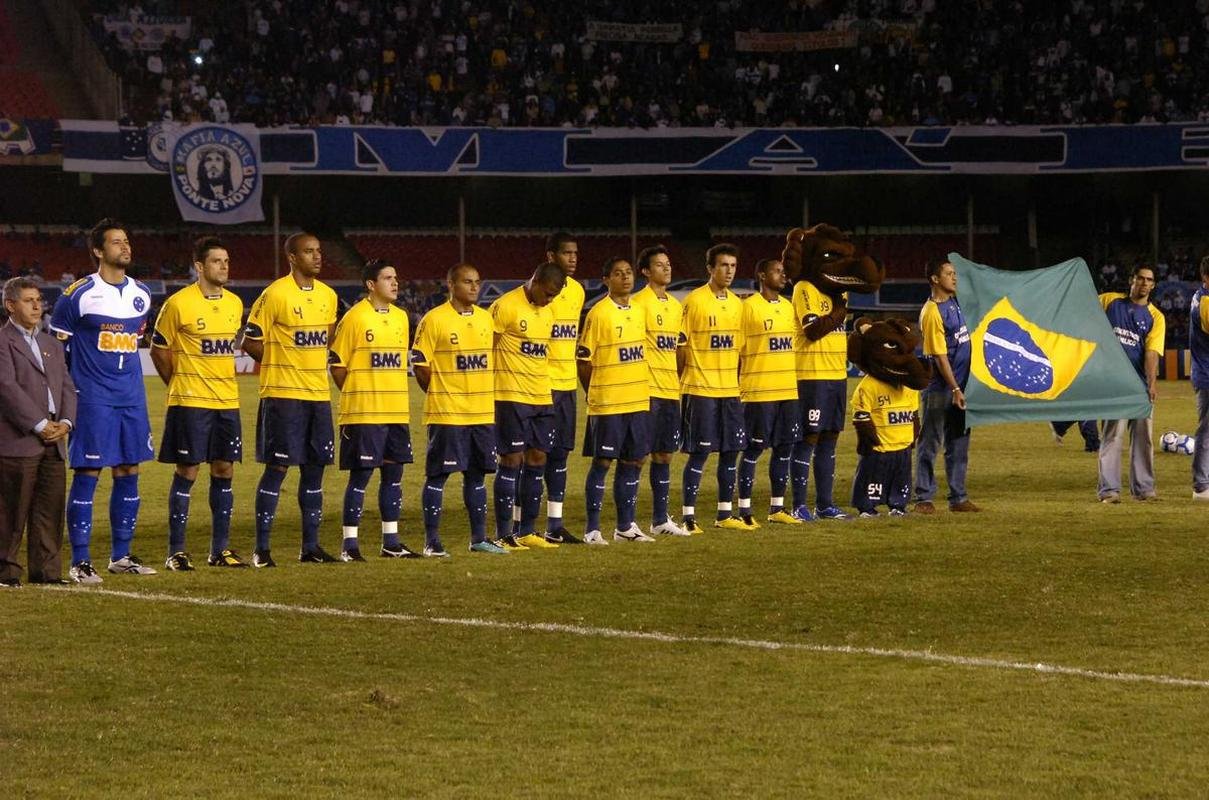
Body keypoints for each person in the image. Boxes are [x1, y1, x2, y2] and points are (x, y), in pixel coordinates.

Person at [51, 219, 156, 583]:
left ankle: (121, 556)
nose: (125, 247)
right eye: (116, 242)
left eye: (126, 241)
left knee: (129, 470)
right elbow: (56, 350)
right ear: (98, 251)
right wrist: (62, 396)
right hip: (92, 398)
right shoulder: (76, 295)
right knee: (89, 472)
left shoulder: (142, 294)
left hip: (132, 398)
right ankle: (80, 561)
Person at [149, 236, 246, 570]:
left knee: (224, 468)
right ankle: (176, 551)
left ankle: (220, 550)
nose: (224, 266)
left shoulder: (234, 303)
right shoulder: (179, 303)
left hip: (227, 401)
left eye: (227, 260)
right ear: (200, 266)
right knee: (187, 470)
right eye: (217, 261)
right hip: (191, 402)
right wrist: (179, 383)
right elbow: (159, 349)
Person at [242, 233, 338, 566]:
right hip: (283, 396)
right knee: (278, 468)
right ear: (292, 258)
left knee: (315, 470)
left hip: (318, 396)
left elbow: (327, 336)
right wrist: (284, 360)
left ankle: (310, 547)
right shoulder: (274, 294)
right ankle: (262, 549)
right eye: (309, 252)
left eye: (319, 251)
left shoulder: (328, 296)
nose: (317, 256)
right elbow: (250, 342)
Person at [411, 264, 506, 555]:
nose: (475, 287)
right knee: (438, 475)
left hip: (481, 412)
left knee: (477, 475)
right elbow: (420, 364)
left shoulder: (486, 319)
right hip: (447, 413)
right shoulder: (434, 319)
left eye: (477, 282)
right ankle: (432, 541)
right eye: (468, 282)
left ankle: (478, 539)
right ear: (451, 284)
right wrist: (442, 393)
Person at [329, 259, 420, 560]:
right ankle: (349, 545)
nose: (395, 283)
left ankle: (390, 542)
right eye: (387, 278)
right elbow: (337, 365)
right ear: (371, 284)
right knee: (361, 477)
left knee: (393, 475)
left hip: (396, 411)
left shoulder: (401, 318)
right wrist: (360, 393)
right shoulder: (354, 318)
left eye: (396, 277)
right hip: (364, 413)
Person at [0, 278, 75, 586]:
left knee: (50, 509)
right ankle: (5, 572)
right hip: (18, 440)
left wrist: (66, 423)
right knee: (10, 512)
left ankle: (46, 572)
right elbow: (5, 388)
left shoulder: (51, 344)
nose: (36, 306)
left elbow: (68, 387)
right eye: (28, 300)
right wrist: (41, 425)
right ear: (10, 305)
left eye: (39, 300)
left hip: (54, 441)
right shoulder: (2, 341)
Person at [488, 261, 566, 551]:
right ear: (533, 280)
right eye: (546, 293)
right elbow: (488, 349)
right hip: (510, 396)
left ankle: (527, 531)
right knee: (511, 460)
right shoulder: (505, 306)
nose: (548, 300)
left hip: (541, 395)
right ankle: (504, 533)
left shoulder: (549, 310)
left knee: (537, 459)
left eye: (554, 297)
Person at [577, 257, 653, 544]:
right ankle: (593, 529)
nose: (625, 277)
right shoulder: (599, 313)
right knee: (603, 461)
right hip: (609, 402)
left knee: (634, 461)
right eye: (618, 274)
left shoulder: (641, 311)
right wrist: (595, 390)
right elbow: (584, 360)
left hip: (637, 400)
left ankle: (626, 527)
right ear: (606, 279)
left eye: (628, 273)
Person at [678, 243, 747, 533]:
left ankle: (724, 514)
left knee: (731, 451)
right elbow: (681, 345)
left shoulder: (737, 304)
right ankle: (689, 517)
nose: (729, 271)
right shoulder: (694, 301)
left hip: (729, 391)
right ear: (710, 269)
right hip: (700, 389)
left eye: (732, 265)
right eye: (723, 265)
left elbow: (740, 350)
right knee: (700, 453)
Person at [737, 258, 803, 528]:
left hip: (787, 389)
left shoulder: (788, 307)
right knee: (753, 449)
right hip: (759, 391)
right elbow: (737, 351)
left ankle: (777, 507)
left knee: (785, 447)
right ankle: (744, 508)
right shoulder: (748, 308)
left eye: (783, 271)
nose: (783, 275)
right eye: (777, 271)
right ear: (762, 275)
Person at [912, 259, 979, 514]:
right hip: (941, 388)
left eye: (955, 273)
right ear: (935, 279)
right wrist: (955, 389)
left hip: (961, 386)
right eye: (949, 274)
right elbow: (940, 357)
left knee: (959, 442)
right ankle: (924, 498)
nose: (955, 278)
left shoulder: (955, 303)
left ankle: (958, 497)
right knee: (931, 441)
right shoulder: (931, 312)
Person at [631, 244, 688, 536]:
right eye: (659, 265)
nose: (666, 268)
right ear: (645, 271)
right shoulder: (638, 304)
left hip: (670, 391)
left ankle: (660, 519)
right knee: (638, 456)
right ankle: (628, 522)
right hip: (646, 390)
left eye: (668, 264)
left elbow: (679, 349)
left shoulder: (676, 307)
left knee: (664, 455)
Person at [790, 249, 851, 522]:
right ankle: (799, 505)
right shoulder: (805, 288)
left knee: (830, 437)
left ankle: (825, 505)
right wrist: (839, 311)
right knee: (808, 438)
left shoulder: (841, 294)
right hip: (811, 375)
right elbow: (813, 330)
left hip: (837, 375)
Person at [1098, 265, 1165, 503]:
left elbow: (1151, 353)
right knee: (1112, 437)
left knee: (1143, 439)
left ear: (1153, 285)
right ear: (1131, 280)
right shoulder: (1109, 301)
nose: (1144, 283)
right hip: (1114, 385)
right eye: (1140, 278)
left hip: (1139, 387)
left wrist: (1151, 384)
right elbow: (1083, 312)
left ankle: (1144, 489)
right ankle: (1109, 490)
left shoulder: (1156, 316)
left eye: (1149, 280)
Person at [541, 232, 585, 544]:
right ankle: (521, 524)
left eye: (575, 253)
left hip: (567, 384)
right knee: (532, 456)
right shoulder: (540, 290)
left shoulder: (579, 291)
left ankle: (555, 524)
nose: (572, 258)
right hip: (540, 385)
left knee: (560, 456)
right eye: (566, 253)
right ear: (550, 256)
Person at [1191, 256, 1209, 501]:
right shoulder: (1205, 302)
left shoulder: (1200, 297)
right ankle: (1201, 486)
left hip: (1203, 372)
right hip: (1208, 375)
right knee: (1207, 431)